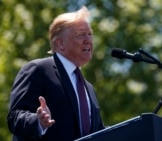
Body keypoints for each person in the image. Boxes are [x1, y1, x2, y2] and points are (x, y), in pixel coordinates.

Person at [7, 6, 105, 141]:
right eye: (81, 35)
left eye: (90, 34)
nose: (88, 40)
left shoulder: (88, 88)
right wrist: (38, 121)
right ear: (60, 44)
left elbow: (98, 133)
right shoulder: (38, 70)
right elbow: (14, 117)